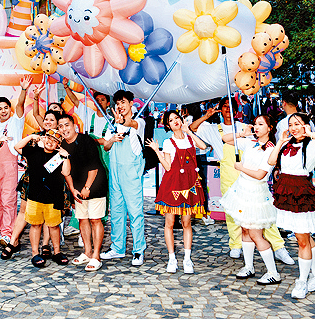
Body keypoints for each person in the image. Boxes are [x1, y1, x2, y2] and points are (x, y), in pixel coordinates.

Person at [190, 98, 294, 264]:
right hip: (228, 171)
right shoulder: (211, 127)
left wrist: (247, 132)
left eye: (231, 107)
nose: (227, 110)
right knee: (232, 212)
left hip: (248, 173)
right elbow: (192, 128)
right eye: (224, 107)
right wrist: (206, 115)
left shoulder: (245, 126)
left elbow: (261, 157)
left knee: (262, 215)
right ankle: (236, 244)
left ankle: (278, 247)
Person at [268, 112, 315, 299]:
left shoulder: (312, 145)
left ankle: (302, 281)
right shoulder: (287, 144)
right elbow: (272, 161)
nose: (294, 127)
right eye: (291, 124)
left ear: (306, 125)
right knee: (302, 236)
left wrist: (309, 133)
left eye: (298, 124)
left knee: (302, 239)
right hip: (286, 192)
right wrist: (280, 141)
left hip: (301, 193)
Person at [220, 115, 281, 284]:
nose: (256, 127)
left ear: (269, 128)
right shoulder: (251, 142)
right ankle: (248, 266)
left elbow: (261, 175)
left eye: (261, 124)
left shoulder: (270, 148)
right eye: (255, 124)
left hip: (256, 193)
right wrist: (242, 133)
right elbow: (225, 139)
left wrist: (242, 168)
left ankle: (273, 272)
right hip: (242, 190)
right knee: (245, 230)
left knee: (256, 233)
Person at [148, 110, 207, 274]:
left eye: (177, 118)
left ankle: (187, 259)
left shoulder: (190, 139)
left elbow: (203, 146)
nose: (175, 121)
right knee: (170, 223)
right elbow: (167, 167)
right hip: (173, 185)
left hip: (190, 185)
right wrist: (156, 150)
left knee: (187, 223)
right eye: (171, 120)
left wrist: (189, 131)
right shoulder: (168, 142)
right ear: (167, 125)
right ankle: (172, 258)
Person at [2, 108, 62, 259]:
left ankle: (46, 245)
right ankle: (12, 242)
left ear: (58, 123)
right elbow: (20, 149)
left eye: (51, 120)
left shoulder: (60, 142)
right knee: (24, 211)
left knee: (49, 215)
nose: (48, 122)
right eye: (46, 119)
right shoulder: (37, 137)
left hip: (51, 181)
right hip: (31, 179)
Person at [58, 113, 108, 272]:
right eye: (60, 126)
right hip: (77, 188)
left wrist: (87, 188)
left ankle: (96, 256)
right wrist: (72, 189)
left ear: (74, 126)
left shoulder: (86, 141)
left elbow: (94, 167)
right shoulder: (62, 146)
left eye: (67, 125)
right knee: (82, 219)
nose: (64, 129)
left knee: (95, 220)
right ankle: (87, 252)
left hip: (95, 184)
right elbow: (66, 172)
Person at [101, 90, 146, 266]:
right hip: (115, 174)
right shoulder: (112, 124)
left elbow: (132, 124)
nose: (120, 106)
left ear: (131, 103)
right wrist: (112, 139)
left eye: (123, 102)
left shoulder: (139, 121)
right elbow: (105, 147)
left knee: (135, 213)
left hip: (132, 174)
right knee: (117, 213)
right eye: (117, 103)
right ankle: (117, 248)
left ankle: (138, 251)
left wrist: (123, 122)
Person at [13, 128, 69, 268]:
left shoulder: (59, 156)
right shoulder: (33, 152)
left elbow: (66, 172)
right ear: (44, 138)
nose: (51, 142)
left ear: (58, 145)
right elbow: (17, 147)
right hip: (34, 196)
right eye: (49, 138)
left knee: (54, 226)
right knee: (36, 225)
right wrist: (32, 136)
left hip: (53, 197)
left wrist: (66, 156)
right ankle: (34, 253)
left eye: (55, 141)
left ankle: (57, 252)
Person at [0, 77, 31, 247]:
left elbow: (20, 105)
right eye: (0, 109)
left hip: (10, 164)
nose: (3, 111)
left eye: (6, 108)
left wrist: (23, 90)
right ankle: (3, 232)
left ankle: (9, 233)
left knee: (8, 200)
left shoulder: (16, 121)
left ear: (9, 109)